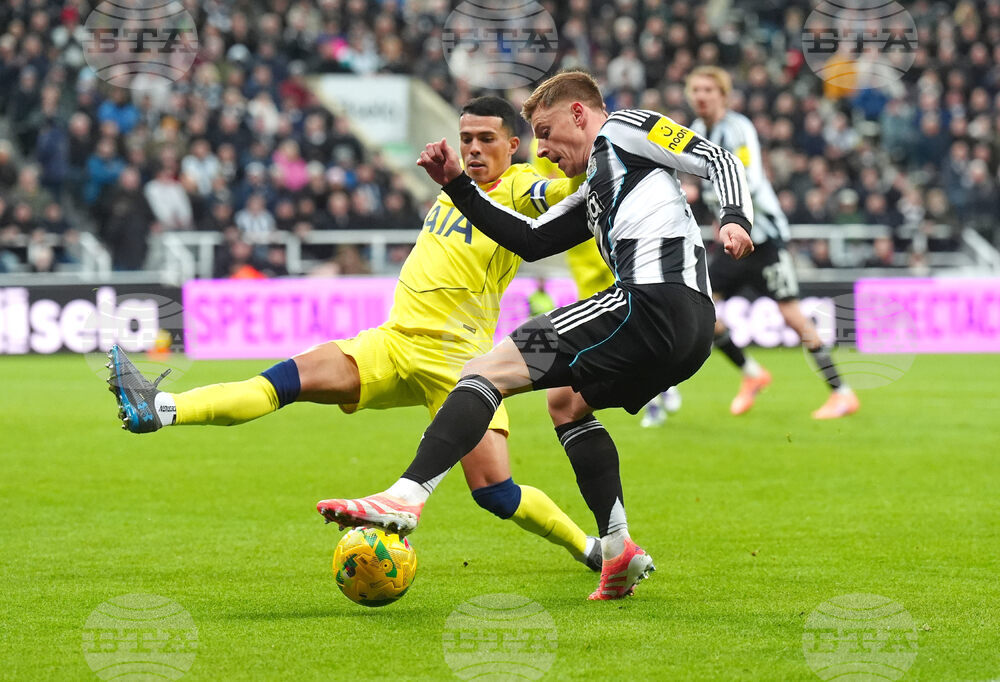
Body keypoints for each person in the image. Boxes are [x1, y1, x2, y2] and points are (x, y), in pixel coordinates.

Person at [107, 97, 603, 572]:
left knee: (496, 492)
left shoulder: (521, 186)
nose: (473, 148)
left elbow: (566, 191)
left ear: (512, 145)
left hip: (462, 366)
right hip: (392, 342)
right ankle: (160, 408)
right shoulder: (450, 189)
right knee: (282, 381)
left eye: (486, 139)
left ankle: (590, 549)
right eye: (466, 137)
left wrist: (614, 154)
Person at [317, 70, 754, 600]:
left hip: (650, 301)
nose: (542, 151)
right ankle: (618, 550)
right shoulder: (596, 187)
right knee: (566, 404)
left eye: (546, 133)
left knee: (483, 371)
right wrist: (457, 185)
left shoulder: (627, 129)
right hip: (688, 330)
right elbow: (528, 239)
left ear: (579, 113)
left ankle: (407, 494)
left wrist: (733, 218)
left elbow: (719, 159)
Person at [685, 66, 859, 419]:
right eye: (696, 90)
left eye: (708, 89)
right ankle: (752, 374)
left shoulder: (738, 128)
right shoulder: (697, 131)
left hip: (763, 237)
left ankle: (842, 393)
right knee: (702, 308)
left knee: (791, 314)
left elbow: (744, 178)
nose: (700, 96)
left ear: (723, 95)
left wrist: (701, 191)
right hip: (734, 240)